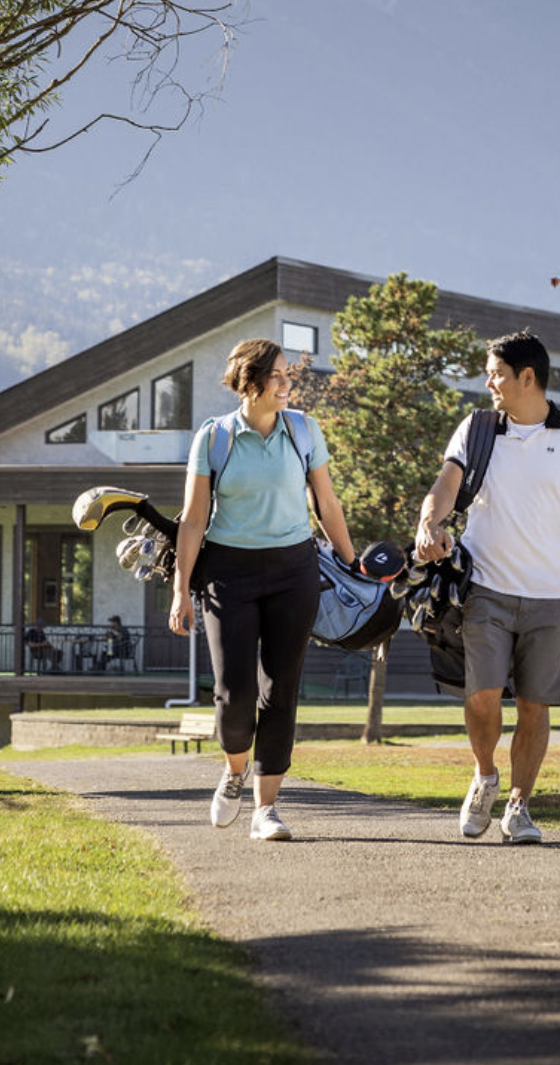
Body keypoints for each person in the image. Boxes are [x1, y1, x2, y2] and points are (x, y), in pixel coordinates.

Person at [416, 331, 560, 845]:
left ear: (527, 377)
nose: (488, 381)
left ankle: (519, 805)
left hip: (550, 596)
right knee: (480, 697)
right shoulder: (477, 429)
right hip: (485, 590)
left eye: (496, 372)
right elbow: (446, 485)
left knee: (533, 705)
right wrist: (429, 523)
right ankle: (484, 776)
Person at [171, 338, 357, 842]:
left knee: (281, 690)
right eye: (276, 375)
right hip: (227, 573)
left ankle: (266, 809)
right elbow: (192, 520)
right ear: (248, 382)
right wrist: (180, 590)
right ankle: (234, 772)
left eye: (286, 374)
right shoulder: (214, 438)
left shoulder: (303, 430)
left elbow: (328, 503)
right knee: (235, 692)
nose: (286, 383)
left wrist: (351, 560)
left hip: (293, 570)